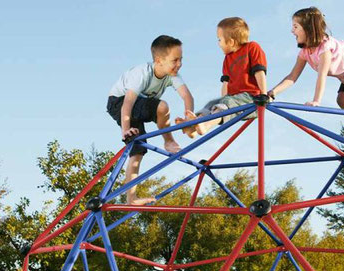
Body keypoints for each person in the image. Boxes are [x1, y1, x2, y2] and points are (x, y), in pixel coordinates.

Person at [268, 7, 344, 144]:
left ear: (307, 28)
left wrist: (316, 100)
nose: (292, 31)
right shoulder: (305, 52)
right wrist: (272, 93)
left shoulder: (325, 47)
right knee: (342, 100)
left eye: (295, 27)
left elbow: (322, 74)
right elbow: (292, 77)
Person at [107, 35, 194, 205]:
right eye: (175, 60)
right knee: (162, 107)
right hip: (119, 102)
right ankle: (167, 141)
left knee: (138, 150)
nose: (179, 64)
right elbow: (128, 103)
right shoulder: (142, 73)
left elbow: (187, 96)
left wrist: (188, 115)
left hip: (138, 106)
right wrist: (126, 130)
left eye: (181, 59)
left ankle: (131, 198)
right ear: (159, 60)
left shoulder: (172, 74)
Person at [176, 17, 267, 137]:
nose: (218, 44)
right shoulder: (228, 58)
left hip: (252, 99)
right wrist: (222, 102)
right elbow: (226, 84)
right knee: (212, 103)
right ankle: (193, 126)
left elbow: (259, 72)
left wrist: (264, 95)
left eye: (219, 40)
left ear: (231, 42)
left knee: (226, 102)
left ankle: (206, 125)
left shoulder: (252, 48)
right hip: (233, 100)